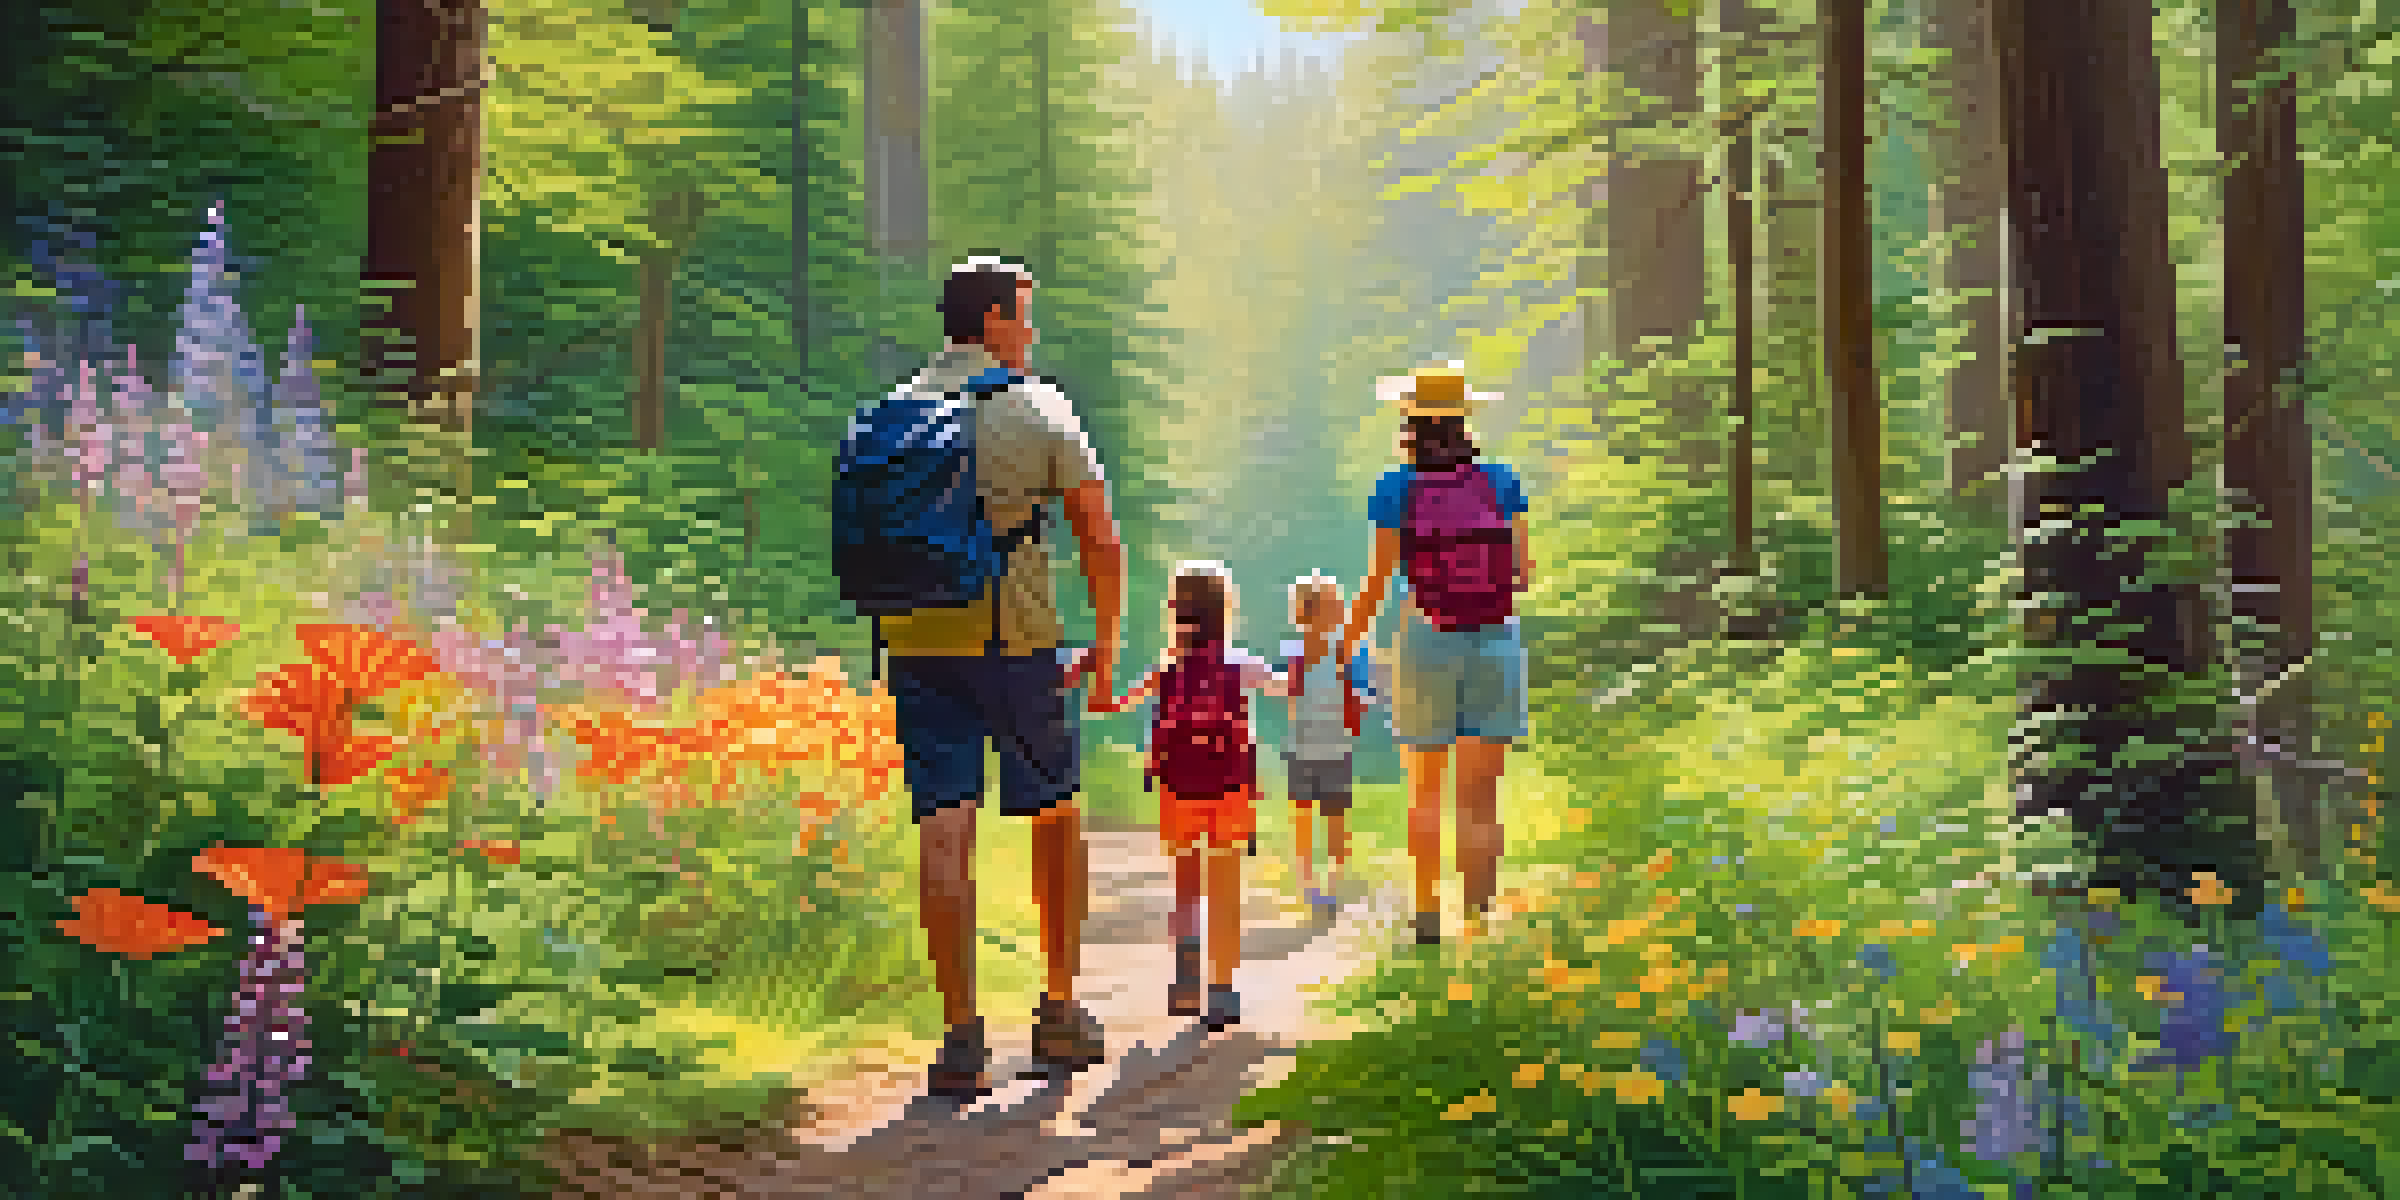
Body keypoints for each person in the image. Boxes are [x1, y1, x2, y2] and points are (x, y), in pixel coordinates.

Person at [874, 257, 1124, 1100]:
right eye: (1023, 317)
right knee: (1054, 812)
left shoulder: (894, 413)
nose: (1032, 333)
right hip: (1018, 645)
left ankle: (960, 1036)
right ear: (989, 323)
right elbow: (1099, 537)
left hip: (914, 643)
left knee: (944, 828)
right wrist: (1108, 647)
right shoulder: (1036, 408)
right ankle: (1059, 1010)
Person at [1338, 365, 1532, 947]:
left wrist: (1347, 642)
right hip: (1495, 636)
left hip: (1420, 637)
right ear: (1466, 419)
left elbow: (1377, 579)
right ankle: (1478, 918)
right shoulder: (1502, 482)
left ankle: (1427, 915)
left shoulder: (1393, 488)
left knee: (1426, 787)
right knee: (1481, 795)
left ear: (1409, 421)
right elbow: (1521, 572)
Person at [1105, 562, 1283, 1031]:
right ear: (1226, 610)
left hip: (1175, 786)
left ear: (1176, 611)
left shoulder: (1165, 669)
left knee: (1187, 884)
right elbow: (1286, 686)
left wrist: (1099, 687)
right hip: (1231, 787)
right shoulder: (1240, 665)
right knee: (1224, 886)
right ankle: (1221, 991)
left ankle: (1186, 974)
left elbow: (1115, 703)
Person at [1281, 572, 1374, 917]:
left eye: (1340, 605)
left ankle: (1333, 886)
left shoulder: (1348, 652)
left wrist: (1360, 697)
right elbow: (1289, 697)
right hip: (1301, 750)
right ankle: (1308, 885)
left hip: (1337, 749)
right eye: (1332, 606)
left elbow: (1367, 690)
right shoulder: (1294, 653)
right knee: (1303, 818)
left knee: (1336, 819)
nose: (1340, 611)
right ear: (1306, 613)